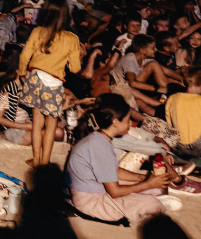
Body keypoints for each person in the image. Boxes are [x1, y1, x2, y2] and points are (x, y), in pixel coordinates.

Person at [67, 94, 173, 223]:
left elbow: (112, 171)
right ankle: (148, 200)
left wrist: (143, 178)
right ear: (116, 122)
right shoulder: (99, 145)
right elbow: (115, 192)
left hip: (100, 187)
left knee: (156, 186)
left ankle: (148, 195)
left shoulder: (100, 138)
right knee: (153, 205)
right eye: (128, 120)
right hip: (90, 200)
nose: (130, 123)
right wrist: (147, 184)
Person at [17, 0, 82, 166]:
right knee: (51, 125)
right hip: (54, 83)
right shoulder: (72, 39)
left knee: (37, 122)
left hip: (34, 78)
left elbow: (24, 56)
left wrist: (22, 73)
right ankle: (45, 163)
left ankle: (36, 160)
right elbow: (75, 69)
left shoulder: (37, 31)